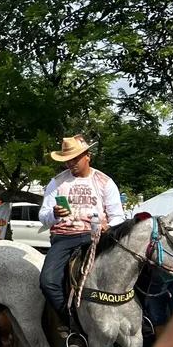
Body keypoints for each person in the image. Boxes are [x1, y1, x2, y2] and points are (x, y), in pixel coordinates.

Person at [37, 135, 124, 325]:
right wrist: (55, 213)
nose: (71, 163)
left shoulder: (104, 182)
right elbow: (43, 217)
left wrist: (107, 226)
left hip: (96, 237)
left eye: (75, 158)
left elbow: (118, 216)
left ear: (88, 156)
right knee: (47, 281)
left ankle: (133, 322)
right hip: (64, 237)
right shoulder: (57, 182)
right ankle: (73, 324)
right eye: (68, 159)